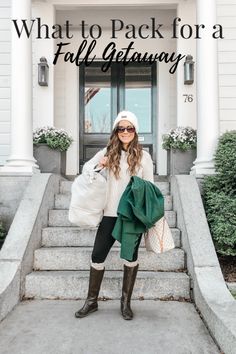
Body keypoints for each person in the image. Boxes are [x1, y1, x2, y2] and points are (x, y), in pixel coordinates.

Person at [74, 110, 154, 320]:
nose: (125, 131)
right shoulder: (107, 152)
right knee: (97, 255)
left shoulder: (144, 157)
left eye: (129, 128)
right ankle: (91, 302)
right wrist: (100, 165)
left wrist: (148, 215)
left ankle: (125, 304)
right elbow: (86, 170)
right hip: (110, 213)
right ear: (116, 131)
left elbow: (151, 187)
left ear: (135, 131)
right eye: (121, 128)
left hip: (132, 216)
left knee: (130, 257)